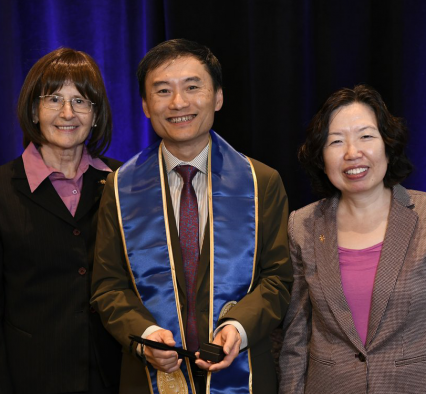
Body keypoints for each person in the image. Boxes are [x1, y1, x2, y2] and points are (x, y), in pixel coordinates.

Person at [90, 38, 292, 394]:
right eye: (163, 90)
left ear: (218, 97)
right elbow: (108, 286)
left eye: (192, 87)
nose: (179, 103)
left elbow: (278, 279)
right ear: (146, 106)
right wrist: (146, 336)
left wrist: (239, 329)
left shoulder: (261, 182)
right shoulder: (120, 187)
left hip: (243, 373)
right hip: (149, 377)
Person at [279, 85, 426, 393]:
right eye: (336, 141)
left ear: (388, 146)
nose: (353, 153)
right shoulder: (302, 225)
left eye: (366, 136)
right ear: (321, 157)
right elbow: (296, 334)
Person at [0, 48, 122, 394]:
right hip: (32, 380)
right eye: (54, 99)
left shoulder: (125, 183)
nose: (68, 113)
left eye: (81, 101)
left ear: (96, 115)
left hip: (117, 377)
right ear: (34, 110)